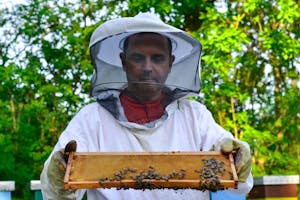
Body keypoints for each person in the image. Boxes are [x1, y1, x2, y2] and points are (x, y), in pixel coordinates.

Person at [40, 12, 253, 199]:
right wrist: (59, 171)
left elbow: (240, 185)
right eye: (138, 58)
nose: (147, 68)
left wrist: (236, 157)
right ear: (123, 62)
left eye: (157, 58)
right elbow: (56, 192)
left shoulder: (194, 116)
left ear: (171, 62)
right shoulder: (91, 119)